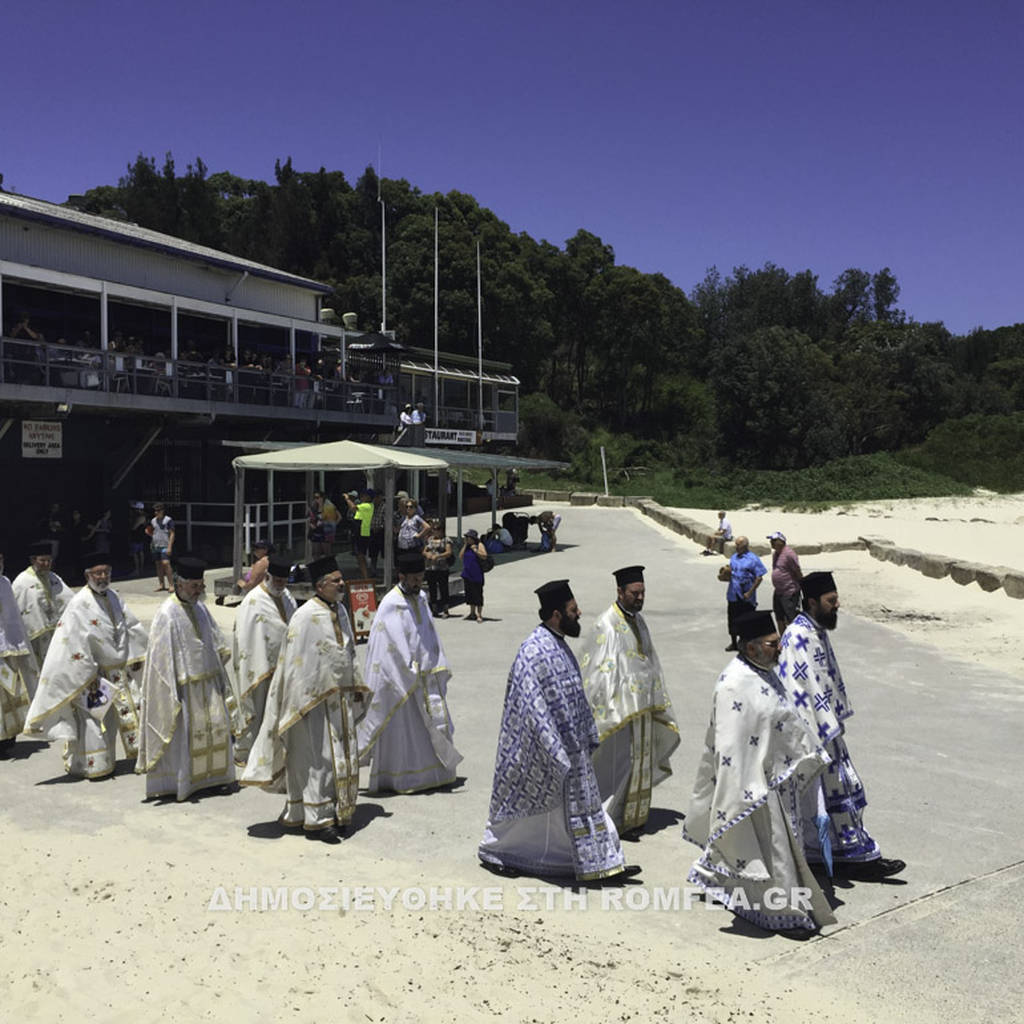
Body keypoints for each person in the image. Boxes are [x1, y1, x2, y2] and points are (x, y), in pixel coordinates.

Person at [682, 610, 837, 932]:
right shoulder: (732, 684)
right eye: (772, 643)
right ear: (751, 647)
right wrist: (744, 789)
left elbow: (782, 717)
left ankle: (730, 885)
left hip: (779, 781)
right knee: (772, 851)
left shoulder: (764, 671)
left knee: (778, 850)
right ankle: (784, 914)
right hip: (754, 787)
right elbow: (728, 747)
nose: (780, 648)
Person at [478, 580, 639, 883]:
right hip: (548, 750)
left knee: (568, 814)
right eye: (573, 609)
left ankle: (599, 860)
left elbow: (576, 696)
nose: (579, 613)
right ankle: (494, 851)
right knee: (531, 816)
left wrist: (586, 734)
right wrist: (552, 748)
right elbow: (528, 705)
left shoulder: (559, 644)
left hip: (572, 748)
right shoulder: (533, 650)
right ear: (555, 614)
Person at [777, 571, 905, 880]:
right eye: (831, 601)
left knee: (840, 792)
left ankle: (850, 854)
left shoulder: (817, 630)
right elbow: (796, 686)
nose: (837, 605)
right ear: (811, 602)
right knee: (822, 799)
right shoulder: (796, 636)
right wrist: (816, 732)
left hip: (829, 731)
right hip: (814, 735)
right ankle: (835, 857)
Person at [242, 555, 370, 842]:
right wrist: (304, 699)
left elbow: (348, 651)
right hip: (311, 704)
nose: (342, 584)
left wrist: (356, 683)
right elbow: (295, 664)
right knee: (316, 760)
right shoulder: (305, 615)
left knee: (339, 759)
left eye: (341, 579)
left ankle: (337, 811)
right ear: (320, 585)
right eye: (336, 581)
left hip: (340, 699)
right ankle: (317, 817)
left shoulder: (340, 610)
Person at [25, 552, 147, 779]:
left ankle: (111, 758)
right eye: (98, 573)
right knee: (92, 720)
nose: (103, 577)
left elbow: (131, 626)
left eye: (106, 572)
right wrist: (88, 673)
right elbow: (72, 641)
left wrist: (139, 655)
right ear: (87, 575)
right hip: (93, 674)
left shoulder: (113, 597)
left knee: (117, 717)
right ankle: (92, 765)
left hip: (118, 671)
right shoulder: (79, 603)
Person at [578, 566, 680, 834]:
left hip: (642, 709)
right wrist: (610, 709)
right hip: (619, 714)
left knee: (638, 763)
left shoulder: (638, 620)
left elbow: (649, 661)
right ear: (620, 592)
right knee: (618, 765)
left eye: (643, 592)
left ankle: (632, 817)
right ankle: (608, 819)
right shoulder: (607, 624)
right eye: (635, 593)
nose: (640, 598)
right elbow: (597, 672)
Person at [357, 552, 462, 793]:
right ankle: (401, 778)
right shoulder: (390, 604)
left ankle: (434, 773)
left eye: (420, 577)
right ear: (401, 576)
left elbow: (429, 633)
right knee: (405, 729)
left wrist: (437, 661)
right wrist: (408, 667)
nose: (417, 582)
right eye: (413, 578)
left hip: (427, 673)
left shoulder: (422, 597)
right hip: (402, 677)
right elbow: (386, 644)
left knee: (432, 724)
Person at [136, 554, 236, 801]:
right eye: (194, 586)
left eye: (201, 586)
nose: (199, 591)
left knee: (216, 732)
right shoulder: (167, 613)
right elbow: (160, 660)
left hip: (209, 683)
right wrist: (172, 689)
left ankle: (217, 779)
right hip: (184, 688)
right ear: (179, 583)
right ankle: (186, 782)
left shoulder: (200, 607)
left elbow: (216, 642)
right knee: (187, 738)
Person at [231, 554, 297, 767]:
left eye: (284, 581)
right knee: (257, 710)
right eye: (277, 580)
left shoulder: (287, 596)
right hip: (259, 667)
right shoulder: (253, 600)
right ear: (267, 576)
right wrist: (258, 663)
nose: (281, 585)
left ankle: (276, 752)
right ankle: (249, 753)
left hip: (284, 666)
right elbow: (245, 636)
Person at [0, 550, 40, 757]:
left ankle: (8, 738)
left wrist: (17, 643)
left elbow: (12, 617)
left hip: (8, 650)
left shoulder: (5, 582)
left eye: (1, 559)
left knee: (11, 694)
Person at [12, 542, 73, 667]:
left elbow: (69, 599)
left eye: (49, 560)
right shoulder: (22, 581)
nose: (46, 564)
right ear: (33, 560)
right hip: (35, 635)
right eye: (42, 560)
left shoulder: (54, 577)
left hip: (55, 632)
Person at [722, 536, 767, 652]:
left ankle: (745, 643)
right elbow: (730, 573)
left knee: (746, 619)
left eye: (739, 545)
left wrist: (750, 592)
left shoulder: (753, 559)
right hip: (733, 593)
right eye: (736, 545)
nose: (736, 548)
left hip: (746, 595)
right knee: (732, 618)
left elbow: (759, 577)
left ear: (745, 546)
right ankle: (733, 643)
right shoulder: (733, 558)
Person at [768, 531, 802, 633]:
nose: (771, 543)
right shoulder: (775, 554)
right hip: (778, 591)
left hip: (789, 592)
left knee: (791, 618)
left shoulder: (789, 554)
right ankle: (783, 641)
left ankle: (794, 640)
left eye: (774, 541)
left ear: (781, 541)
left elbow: (797, 571)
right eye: (771, 541)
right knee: (779, 618)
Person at [423, 523, 453, 618]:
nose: (435, 531)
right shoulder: (430, 539)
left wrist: (438, 556)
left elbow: (449, 552)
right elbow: (424, 550)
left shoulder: (446, 540)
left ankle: (446, 610)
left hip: (442, 568)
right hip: (430, 568)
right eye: (434, 529)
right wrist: (427, 554)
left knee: (443, 588)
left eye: (437, 529)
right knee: (432, 589)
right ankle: (434, 609)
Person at [343, 490, 374, 579]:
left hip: (362, 532)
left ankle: (365, 576)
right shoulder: (363, 505)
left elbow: (353, 508)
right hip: (357, 531)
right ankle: (363, 574)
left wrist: (347, 499)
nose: (362, 497)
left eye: (364, 495)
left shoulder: (367, 506)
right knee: (358, 555)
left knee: (361, 555)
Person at [459, 529, 487, 623]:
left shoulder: (479, 545)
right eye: (466, 537)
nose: (466, 539)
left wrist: (475, 550)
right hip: (467, 573)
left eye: (468, 537)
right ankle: (472, 613)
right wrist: (465, 545)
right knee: (470, 594)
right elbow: (461, 556)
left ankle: (479, 614)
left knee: (478, 595)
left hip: (477, 574)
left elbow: (484, 556)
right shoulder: (466, 546)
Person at [149, 503, 175, 592]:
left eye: (158, 511)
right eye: (155, 511)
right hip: (156, 545)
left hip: (165, 545)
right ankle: (161, 584)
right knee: (158, 565)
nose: (156, 512)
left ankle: (171, 584)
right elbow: (153, 532)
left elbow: (172, 533)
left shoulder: (168, 520)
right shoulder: (153, 521)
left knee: (166, 563)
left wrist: (170, 547)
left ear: (163, 511)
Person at [128, 501, 148, 577]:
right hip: (140, 536)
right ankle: (140, 569)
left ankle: (137, 570)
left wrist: (131, 523)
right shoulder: (143, 516)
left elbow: (133, 527)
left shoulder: (140, 517)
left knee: (136, 553)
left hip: (137, 537)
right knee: (140, 552)